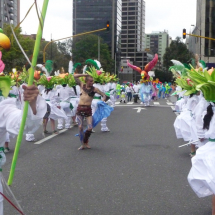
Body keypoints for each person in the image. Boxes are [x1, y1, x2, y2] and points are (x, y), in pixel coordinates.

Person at [74, 74, 107, 150]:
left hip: (88, 109)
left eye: (92, 81)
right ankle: (82, 144)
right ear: (86, 81)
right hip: (80, 108)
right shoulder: (82, 85)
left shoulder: (95, 89)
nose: (92, 82)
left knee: (90, 128)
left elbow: (104, 95)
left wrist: (102, 101)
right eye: (90, 81)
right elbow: (75, 76)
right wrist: (84, 74)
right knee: (80, 127)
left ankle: (86, 141)